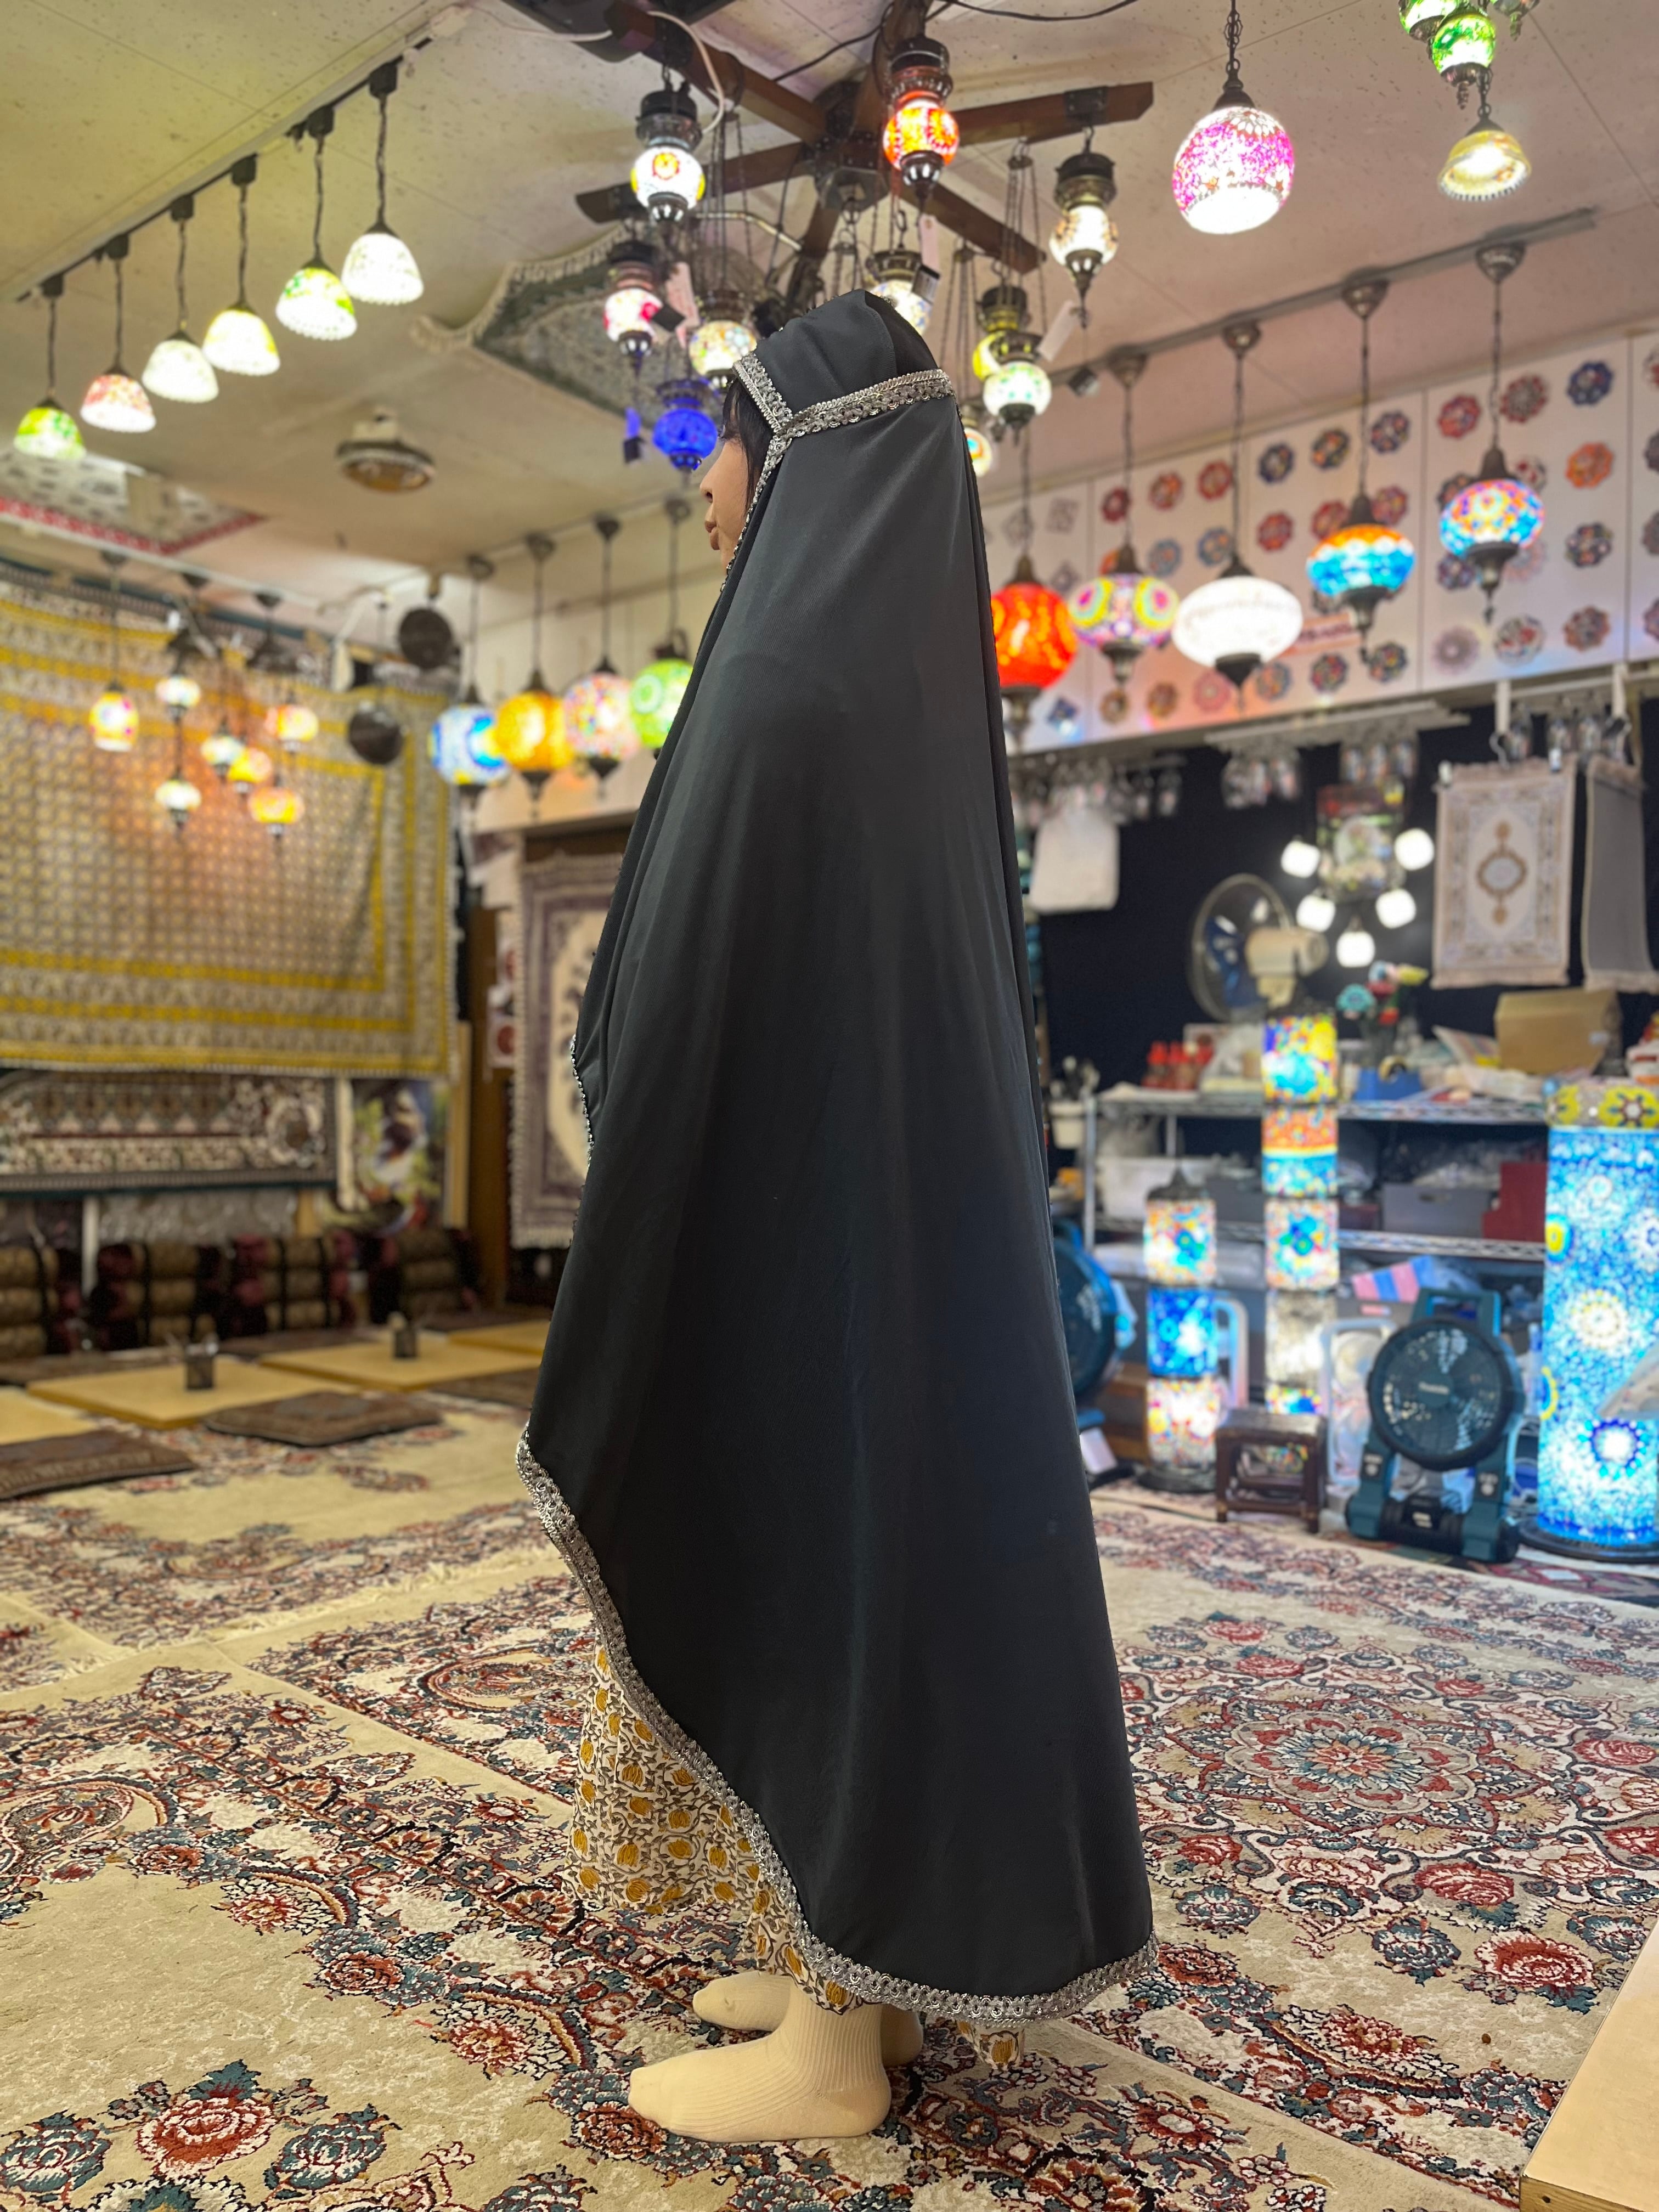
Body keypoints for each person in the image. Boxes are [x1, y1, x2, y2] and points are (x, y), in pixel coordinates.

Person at [519, 289, 1153, 2146]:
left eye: (726, 442)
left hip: (804, 1228)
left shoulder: (797, 680)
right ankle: (845, 1961)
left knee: (829, 1554)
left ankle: (831, 2051)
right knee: (858, 1554)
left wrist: (644, 1138)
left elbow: (704, 968)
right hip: (868, 1224)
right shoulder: (894, 681)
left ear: (801, 444)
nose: (706, 486)